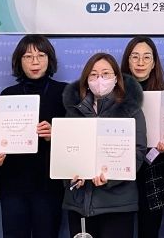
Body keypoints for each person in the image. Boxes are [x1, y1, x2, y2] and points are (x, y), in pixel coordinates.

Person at [0, 35, 67, 238]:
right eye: (28, 56)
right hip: (13, 183)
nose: (35, 62)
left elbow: (77, 139)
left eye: (41, 55)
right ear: (19, 61)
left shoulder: (65, 93)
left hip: (48, 185)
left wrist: (56, 134)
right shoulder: (8, 94)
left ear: (49, 59)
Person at [62, 52, 147, 238]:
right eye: (93, 75)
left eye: (106, 74)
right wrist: (71, 175)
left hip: (118, 205)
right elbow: (65, 152)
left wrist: (111, 177)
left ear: (116, 78)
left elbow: (138, 152)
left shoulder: (131, 109)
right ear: (86, 80)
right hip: (79, 204)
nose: (99, 79)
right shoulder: (73, 111)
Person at [120, 36, 164, 238]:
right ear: (127, 61)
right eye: (135, 57)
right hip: (122, 169)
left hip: (154, 172)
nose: (140, 62)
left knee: (149, 232)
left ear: (154, 63)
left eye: (146, 57)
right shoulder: (115, 93)